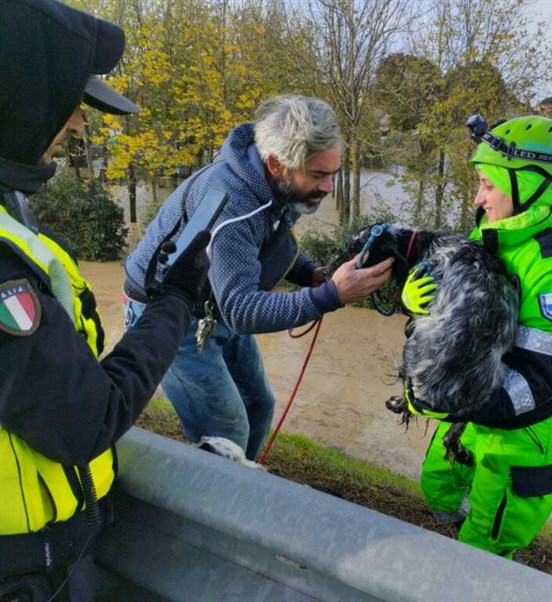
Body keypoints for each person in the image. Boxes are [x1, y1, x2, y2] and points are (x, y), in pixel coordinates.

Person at [0, 1, 211, 599]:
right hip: (25, 572)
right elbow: (88, 417)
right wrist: (177, 299)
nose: (78, 126)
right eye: (69, 104)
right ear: (18, 98)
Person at [123, 95, 395, 461]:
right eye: (318, 175)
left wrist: (312, 274)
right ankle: (219, 493)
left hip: (213, 303)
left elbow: (271, 241)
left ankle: (240, 483)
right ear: (276, 164)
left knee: (258, 404)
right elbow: (242, 311)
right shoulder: (232, 204)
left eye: (333, 173)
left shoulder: (274, 184)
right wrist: (331, 295)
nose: (329, 187)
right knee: (226, 431)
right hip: (168, 315)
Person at [400, 114, 552, 559]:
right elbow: (462, 319)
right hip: (479, 407)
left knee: (486, 542)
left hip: (521, 429)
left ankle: (472, 569)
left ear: (528, 184)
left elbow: (538, 377)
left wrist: (455, 401)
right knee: (438, 488)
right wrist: (420, 304)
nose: (477, 197)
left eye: (488, 185)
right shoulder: (498, 233)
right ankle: (451, 538)